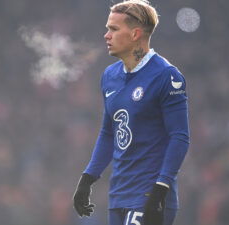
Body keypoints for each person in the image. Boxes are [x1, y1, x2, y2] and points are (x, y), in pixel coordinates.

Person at [73, 0, 190, 224]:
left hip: (149, 195)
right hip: (118, 195)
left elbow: (180, 137)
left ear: (135, 34)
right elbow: (109, 133)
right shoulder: (109, 76)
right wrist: (87, 179)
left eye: (114, 29)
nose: (106, 35)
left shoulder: (167, 76)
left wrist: (161, 187)